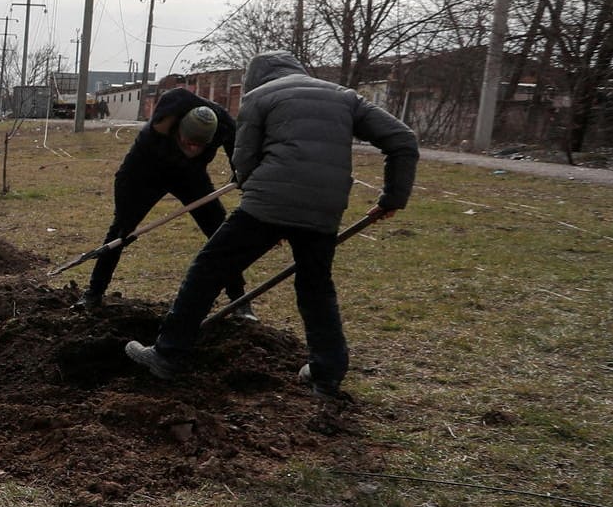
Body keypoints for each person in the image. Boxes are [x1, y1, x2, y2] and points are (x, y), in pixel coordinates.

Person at [124, 51, 418, 398]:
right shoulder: (344, 97)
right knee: (316, 288)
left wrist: (264, 210)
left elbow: (244, 161)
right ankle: (326, 375)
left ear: (254, 79)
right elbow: (403, 140)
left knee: (209, 269)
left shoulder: (259, 97)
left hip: (268, 202)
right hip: (325, 208)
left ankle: (167, 354)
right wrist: (392, 199)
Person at [77, 89, 253, 320]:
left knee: (220, 231)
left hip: (190, 177)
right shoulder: (160, 124)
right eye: (188, 143)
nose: (192, 149)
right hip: (146, 174)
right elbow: (127, 178)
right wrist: (126, 214)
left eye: (199, 146)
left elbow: (239, 155)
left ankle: (240, 301)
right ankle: (93, 293)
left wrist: (240, 174)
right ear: (177, 130)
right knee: (121, 231)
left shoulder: (224, 126)